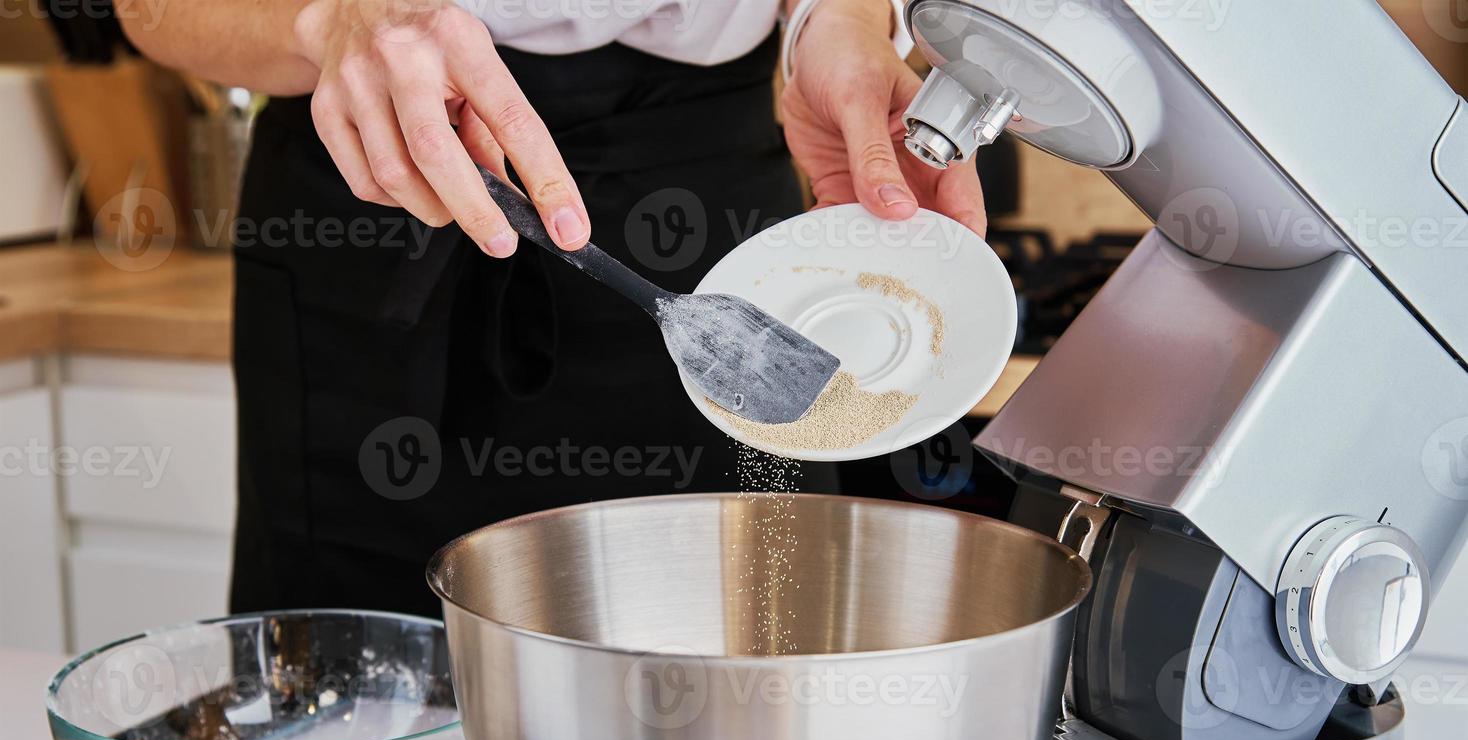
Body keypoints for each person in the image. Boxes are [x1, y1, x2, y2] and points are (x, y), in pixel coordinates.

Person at [122, 0, 987, 618]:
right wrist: (327, 22)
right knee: (358, 695)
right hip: (377, 196)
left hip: (699, 200)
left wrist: (830, 23)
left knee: (727, 655)